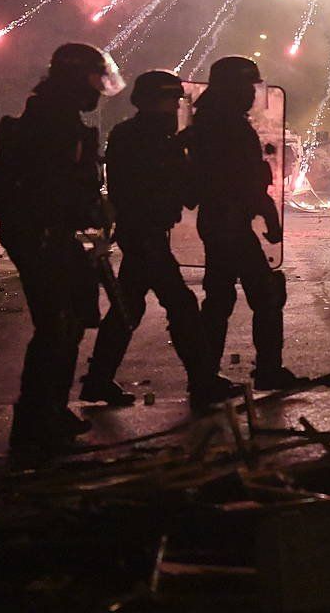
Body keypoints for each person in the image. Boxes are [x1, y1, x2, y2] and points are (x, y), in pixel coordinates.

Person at [0, 43, 123, 456]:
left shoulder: (55, 117)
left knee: (69, 322)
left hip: (51, 231)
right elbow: (49, 187)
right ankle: (36, 418)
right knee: (56, 325)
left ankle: (51, 409)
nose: (98, 90)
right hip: (41, 233)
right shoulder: (50, 122)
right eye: (92, 80)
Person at [84, 70, 238, 411]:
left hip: (142, 231)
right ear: (158, 101)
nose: (176, 106)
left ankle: (98, 379)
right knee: (181, 306)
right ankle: (202, 380)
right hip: (145, 233)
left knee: (130, 305)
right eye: (173, 99)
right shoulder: (150, 139)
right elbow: (175, 188)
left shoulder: (134, 135)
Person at [183, 56, 304, 391]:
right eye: (248, 86)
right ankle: (263, 370)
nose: (252, 94)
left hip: (222, 219)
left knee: (221, 298)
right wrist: (268, 213)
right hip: (230, 220)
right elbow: (241, 180)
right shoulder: (226, 126)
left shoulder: (210, 121)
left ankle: (206, 377)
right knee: (264, 294)